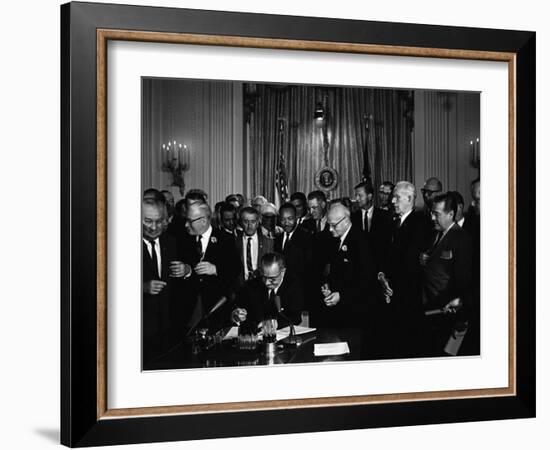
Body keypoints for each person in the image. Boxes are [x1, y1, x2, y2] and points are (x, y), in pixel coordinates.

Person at [377, 181, 429, 358]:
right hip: (390, 296)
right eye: (393, 197)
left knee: (407, 347)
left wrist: (391, 286)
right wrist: (382, 276)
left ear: (409, 198)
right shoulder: (392, 223)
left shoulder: (421, 223)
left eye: (396, 197)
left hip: (408, 299)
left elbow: (410, 264)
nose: (392, 201)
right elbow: (385, 256)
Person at [420, 192, 473, 356]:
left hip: (445, 312)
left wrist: (456, 306)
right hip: (430, 308)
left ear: (451, 214)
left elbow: (463, 280)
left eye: (436, 214)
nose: (432, 218)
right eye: (431, 213)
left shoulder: (461, 239)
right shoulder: (437, 233)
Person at [178, 201, 241, 332]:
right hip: (190, 311)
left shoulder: (225, 239)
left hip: (218, 309)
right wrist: (187, 270)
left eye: (190, 221)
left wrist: (216, 269)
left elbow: (236, 270)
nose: (185, 225)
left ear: (203, 221)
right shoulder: (183, 240)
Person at [142, 199, 190, 366]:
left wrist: (186, 270)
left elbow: (184, 286)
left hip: (169, 326)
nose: (153, 227)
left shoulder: (171, 241)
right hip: (140, 327)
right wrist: (142, 288)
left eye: (158, 221)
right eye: (147, 221)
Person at [318, 203, 376, 328]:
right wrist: (328, 287)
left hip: (357, 311)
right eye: (329, 225)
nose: (330, 229)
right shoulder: (334, 240)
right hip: (340, 310)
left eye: (334, 225)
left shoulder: (362, 241)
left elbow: (366, 279)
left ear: (345, 220)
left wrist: (342, 296)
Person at [231, 253, 304, 329]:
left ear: (283, 272)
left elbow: (296, 318)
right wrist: (236, 316)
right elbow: (237, 311)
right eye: (264, 277)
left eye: (272, 279)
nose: (267, 283)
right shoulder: (250, 286)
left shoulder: (293, 287)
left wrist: (275, 324)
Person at [352, 181, 393, 271]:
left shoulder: (385, 216)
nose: (357, 199)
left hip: (379, 269)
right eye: (356, 196)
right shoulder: (352, 218)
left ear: (369, 196)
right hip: (358, 270)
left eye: (360, 195)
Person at [234, 206, 274, 287]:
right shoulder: (234, 242)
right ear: (241, 222)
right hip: (240, 289)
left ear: (258, 222)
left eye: (253, 221)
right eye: (246, 221)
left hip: (262, 288)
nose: (249, 226)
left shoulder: (268, 243)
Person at [274, 203, 314, 283]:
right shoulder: (277, 239)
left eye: (290, 218)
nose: (286, 223)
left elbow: (310, 269)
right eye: (283, 219)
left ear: (296, 218)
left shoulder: (307, 238)